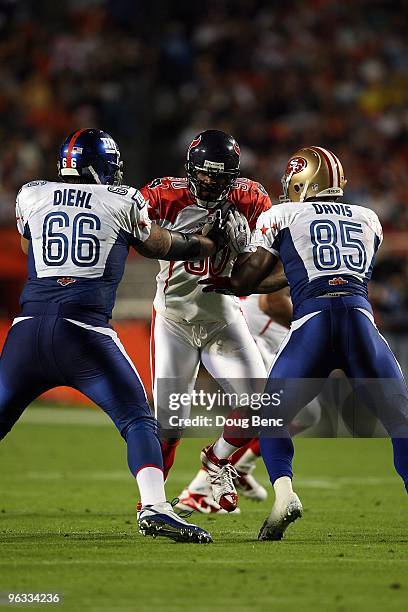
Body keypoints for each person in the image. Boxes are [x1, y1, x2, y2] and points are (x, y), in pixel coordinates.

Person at [0, 128, 242, 544]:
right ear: (99, 166)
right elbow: (158, 245)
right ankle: (155, 508)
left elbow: (29, 249)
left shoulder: (32, 194)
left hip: (25, 332)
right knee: (137, 419)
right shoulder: (123, 199)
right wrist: (205, 244)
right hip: (84, 332)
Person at [201, 145, 408, 540]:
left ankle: (284, 494)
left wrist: (229, 271)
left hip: (313, 324)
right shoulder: (369, 219)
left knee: (271, 415)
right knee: (401, 420)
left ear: (301, 181)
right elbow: (325, 269)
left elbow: (249, 280)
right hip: (360, 322)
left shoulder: (282, 214)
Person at [141, 129, 284, 513]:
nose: (208, 181)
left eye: (218, 176)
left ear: (233, 176)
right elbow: (132, 233)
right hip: (174, 319)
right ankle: (152, 503)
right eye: (202, 173)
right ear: (190, 169)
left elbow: (277, 268)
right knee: (168, 426)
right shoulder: (163, 195)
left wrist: (243, 272)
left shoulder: (251, 199)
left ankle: (218, 461)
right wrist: (179, 240)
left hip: (223, 319)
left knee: (262, 402)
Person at [176, 289, 321, 513]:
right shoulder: (288, 258)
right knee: (262, 409)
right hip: (252, 333)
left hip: (259, 333)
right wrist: (312, 323)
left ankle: (240, 467)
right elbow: (270, 300)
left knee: (307, 412)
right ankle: (198, 490)